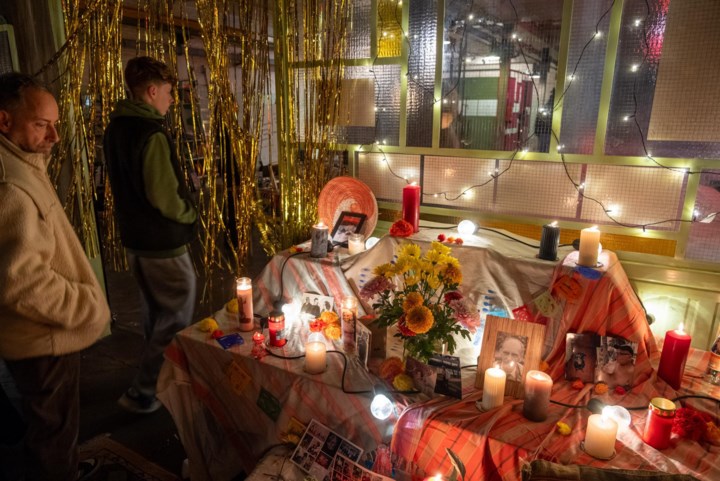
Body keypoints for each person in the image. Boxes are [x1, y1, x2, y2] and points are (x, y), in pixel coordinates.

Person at [0, 72, 110, 480]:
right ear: (4, 121)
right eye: (41, 125)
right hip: (42, 341)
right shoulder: (10, 185)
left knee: (53, 429)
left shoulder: (23, 163)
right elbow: (21, 281)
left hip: (41, 336)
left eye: (56, 124)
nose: (55, 137)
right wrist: (88, 305)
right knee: (53, 433)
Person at [104, 56, 197, 414]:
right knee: (176, 314)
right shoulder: (150, 134)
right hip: (162, 243)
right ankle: (145, 390)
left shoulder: (116, 129)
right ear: (152, 91)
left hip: (136, 241)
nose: (172, 100)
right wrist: (189, 214)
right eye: (170, 93)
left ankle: (157, 380)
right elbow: (164, 195)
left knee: (154, 314)